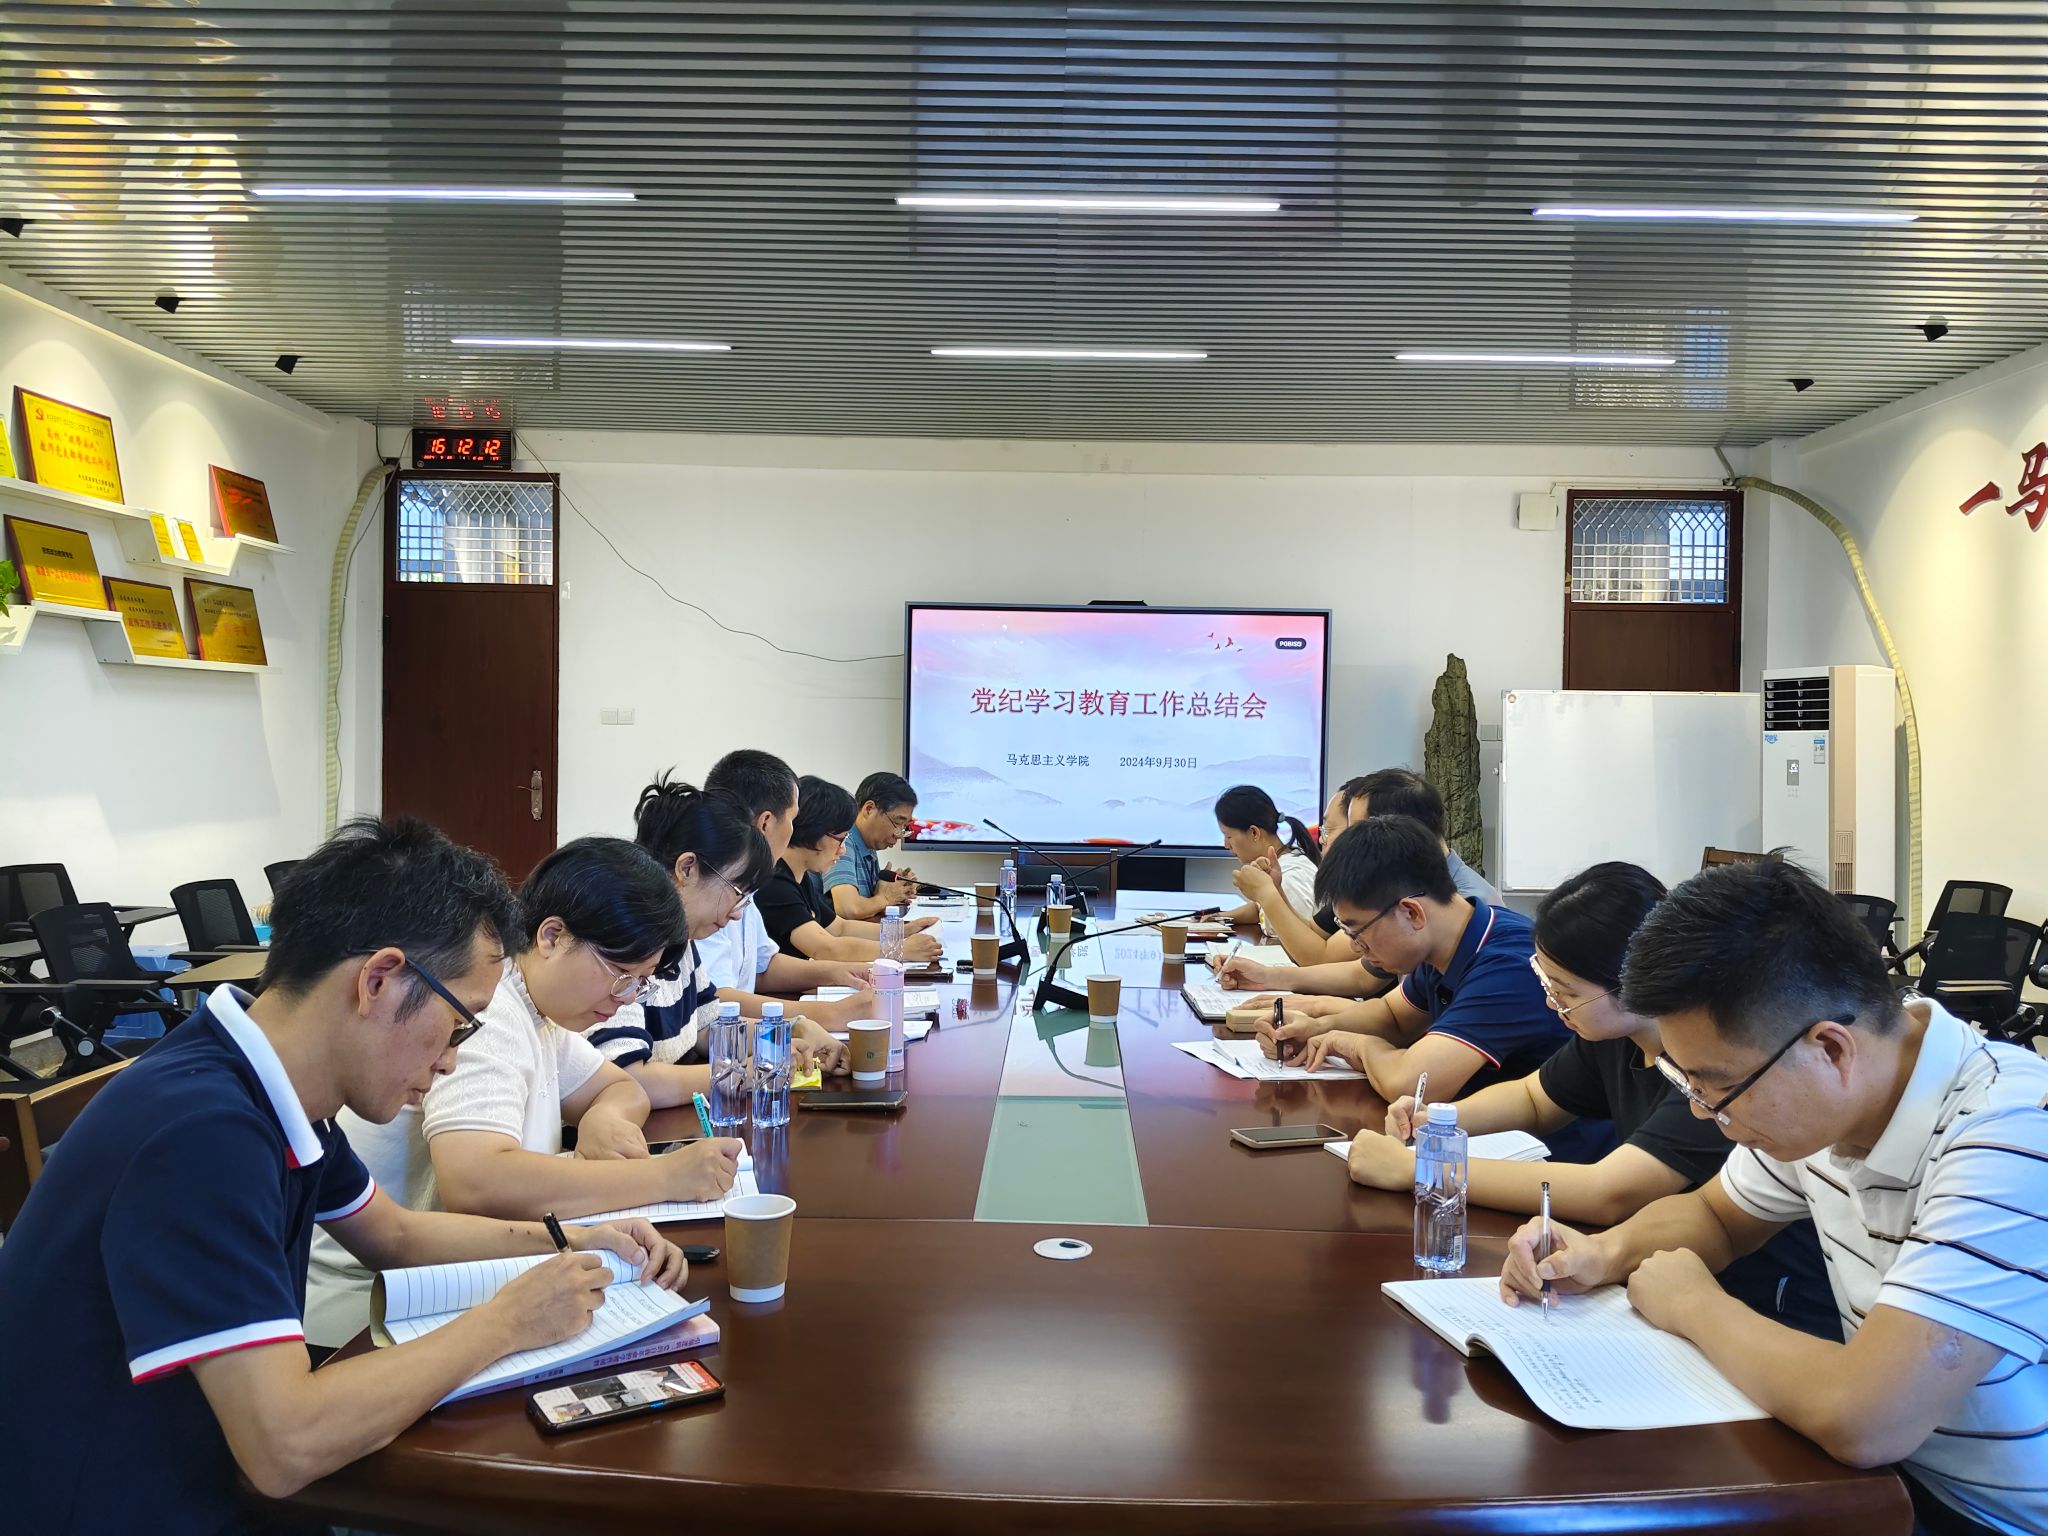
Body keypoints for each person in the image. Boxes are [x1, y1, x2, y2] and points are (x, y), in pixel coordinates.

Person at [0, 818, 687, 1528]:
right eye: (459, 1023)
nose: (452, 1059)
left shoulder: (276, 1083)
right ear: (379, 981)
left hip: (205, 1469)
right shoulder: (202, 1132)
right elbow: (285, 1446)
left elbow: (395, 1235)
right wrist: (509, 1321)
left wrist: (571, 1240)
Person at [1498, 861, 2048, 1536]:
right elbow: (1715, 1216)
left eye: (1714, 1086)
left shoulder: (2013, 1135)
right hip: (1891, 1482)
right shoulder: (1827, 1100)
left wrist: (1694, 1305)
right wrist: (1600, 1254)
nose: (1701, 1110)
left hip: (1991, 1516)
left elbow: (1865, 1417)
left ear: (1830, 1049)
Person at [1341, 861, 1833, 1338]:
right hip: (1675, 1281)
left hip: (1768, 1308)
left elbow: (1609, 1191)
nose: (1552, 1002)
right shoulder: (1617, 1038)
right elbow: (1536, 1097)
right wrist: (1440, 1120)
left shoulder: (1716, 1067)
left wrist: (1424, 1168)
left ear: (1633, 983)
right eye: (1546, 981)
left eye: (1567, 991)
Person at [305, 835, 742, 1347]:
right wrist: (663, 1176)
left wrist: (603, 1117)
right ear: (552, 937)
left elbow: (622, 1087)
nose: (625, 998)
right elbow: (476, 1180)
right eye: (621, 975)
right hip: (376, 1312)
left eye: (639, 983)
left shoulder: (539, 1010)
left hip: (457, 1271)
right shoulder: (488, 1012)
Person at [1259, 815, 1571, 1113]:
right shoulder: (1448, 938)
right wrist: (1315, 1029)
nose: (1355, 946)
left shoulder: (1507, 966)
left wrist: (1357, 1046)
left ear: (1411, 913)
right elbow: (1394, 1017)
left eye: (1358, 932)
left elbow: (1412, 1084)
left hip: (1537, 1146)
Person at [602, 773, 847, 1097]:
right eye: (737, 892)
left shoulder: (681, 941)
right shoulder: (621, 943)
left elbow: (707, 1026)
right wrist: (742, 1072)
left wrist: (788, 1032)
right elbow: (630, 1078)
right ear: (687, 869)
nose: (737, 914)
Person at [1226, 768, 1500, 980]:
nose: (1329, 841)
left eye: (1354, 828)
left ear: (1396, 830)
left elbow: (1321, 959)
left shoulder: (1459, 906)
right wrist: (1267, 978)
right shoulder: (1400, 885)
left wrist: (1268, 895)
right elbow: (1369, 983)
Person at [698, 748, 897, 1030]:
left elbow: (763, 967)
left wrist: (838, 972)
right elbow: (714, 1000)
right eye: (792, 820)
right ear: (766, 823)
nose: (795, 830)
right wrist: (824, 1014)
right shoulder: (709, 888)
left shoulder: (747, 884)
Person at [759, 775, 944, 964]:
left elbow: (840, 928)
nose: (843, 849)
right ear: (815, 832)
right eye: (841, 839)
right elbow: (826, 949)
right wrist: (900, 950)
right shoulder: (775, 882)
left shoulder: (800, 878)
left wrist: (905, 930)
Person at [1213, 784, 1320, 928]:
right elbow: (1259, 908)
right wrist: (1219, 917)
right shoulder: (1282, 862)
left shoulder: (1290, 878)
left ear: (1254, 833)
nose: (1226, 845)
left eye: (1228, 836)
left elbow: (1301, 933)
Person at [824, 770, 921, 920]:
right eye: (897, 822)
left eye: (904, 827)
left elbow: (868, 905)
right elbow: (848, 909)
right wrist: (886, 898)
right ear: (869, 809)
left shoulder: (868, 846)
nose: (899, 835)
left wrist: (894, 889)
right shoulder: (843, 841)